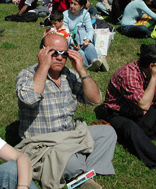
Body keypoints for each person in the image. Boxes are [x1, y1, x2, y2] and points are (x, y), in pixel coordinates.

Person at [16, 33, 117, 188]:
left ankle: (80, 172)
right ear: (42, 52)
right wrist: (43, 66)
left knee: (107, 133)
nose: (59, 57)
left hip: (69, 136)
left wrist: (82, 71)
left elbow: (95, 100)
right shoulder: (27, 74)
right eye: (53, 53)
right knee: (71, 161)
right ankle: (81, 168)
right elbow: (29, 99)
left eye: (64, 53)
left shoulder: (69, 75)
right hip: (43, 143)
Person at [103, 44, 156, 168]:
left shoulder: (147, 72)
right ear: (152, 66)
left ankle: (144, 134)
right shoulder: (128, 74)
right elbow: (144, 105)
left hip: (138, 113)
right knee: (131, 128)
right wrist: (154, 77)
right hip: (119, 114)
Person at [63, 0, 102, 71]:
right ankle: (90, 65)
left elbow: (89, 29)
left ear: (81, 7)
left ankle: (94, 61)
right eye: (71, 3)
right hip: (72, 41)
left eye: (75, 4)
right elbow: (65, 33)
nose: (72, 6)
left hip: (83, 39)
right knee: (80, 53)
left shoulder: (85, 14)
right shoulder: (65, 15)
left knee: (90, 47)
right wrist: (73, 43)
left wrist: (87, 39)